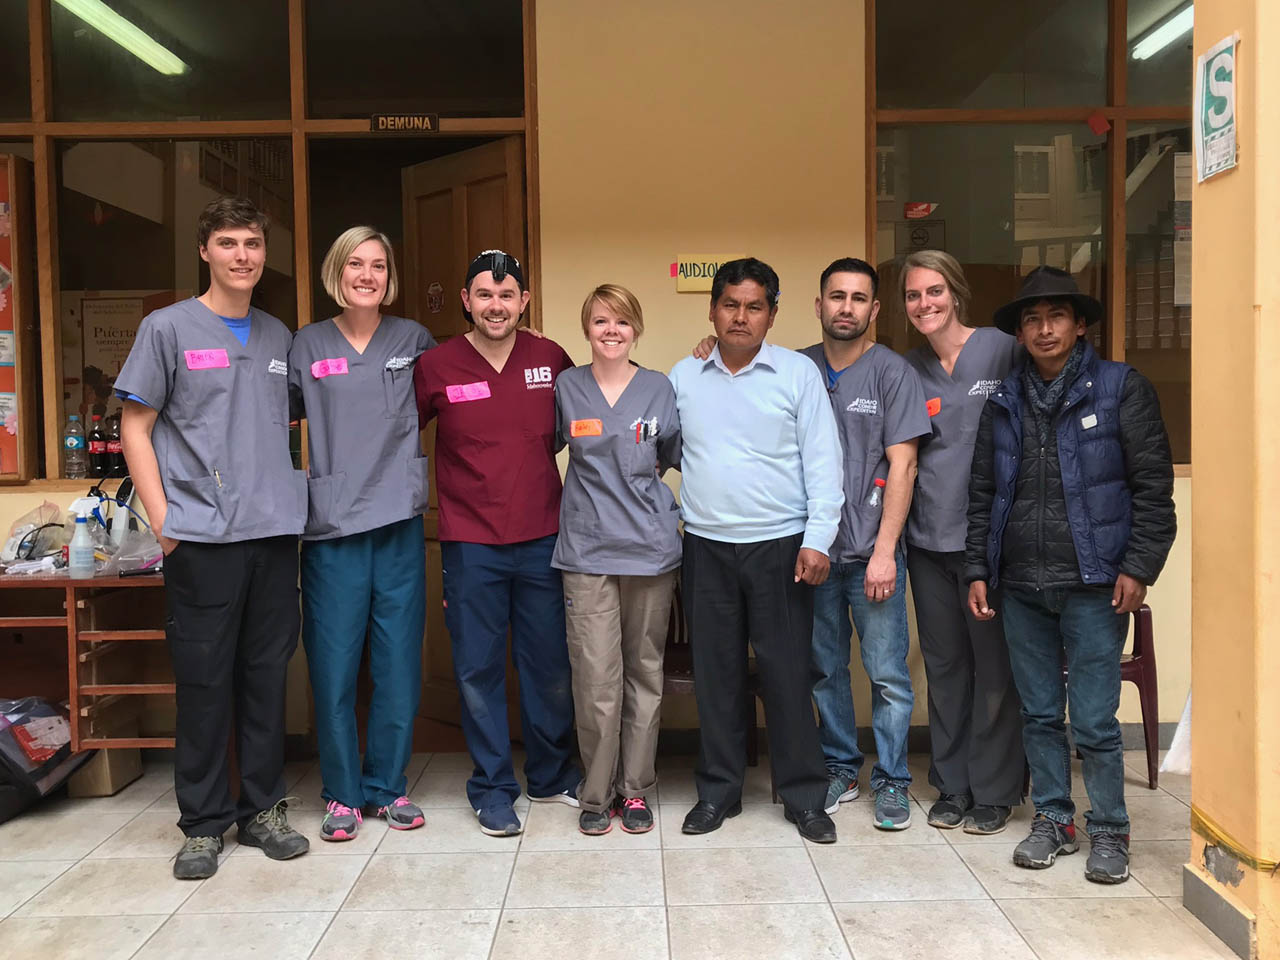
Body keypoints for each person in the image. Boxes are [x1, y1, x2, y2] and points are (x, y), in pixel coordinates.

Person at [117, 196, 309, 879]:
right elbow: (135, 428)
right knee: (203, 684)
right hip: (199, 538)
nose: (242, 255)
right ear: (206, 251)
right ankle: (202, 824)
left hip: (271, 532)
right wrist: (164, 521)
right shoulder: (166, 329)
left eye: (253, 244)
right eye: (228, 243)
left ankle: (262, 811)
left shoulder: (280, 337)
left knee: (264, 679)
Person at [965, 266, 1176, 884]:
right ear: (1021, 332)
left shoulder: (1120, 388)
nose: (1044, 328)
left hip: (1095, 585)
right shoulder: (1003, 399)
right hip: (1023, 584)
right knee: (1038, 714)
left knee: (1093, 721)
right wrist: (980, 567)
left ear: (1079, 324)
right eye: (1032, 319)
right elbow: (982, 494)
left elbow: (1152, 490)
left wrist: (1139, 566)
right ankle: (1054, 820)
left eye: (1056, 316)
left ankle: (1109, 831)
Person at [670, 257, 844, 844]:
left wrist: (818, 539)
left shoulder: (797, 375)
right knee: (715, 677)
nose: (740, 317)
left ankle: (804, 798)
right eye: (729, 305)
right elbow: (659, 454)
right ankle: (718, 793)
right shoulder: (683, 377)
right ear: (712, 309)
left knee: (788, 676)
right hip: (708, 548)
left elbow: (825, 462)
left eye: (754, 306)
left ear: (772, 313)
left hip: (782, 548)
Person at [413, 249, 580, 837]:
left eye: (507, 296)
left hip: (543, 537)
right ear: (466, 301)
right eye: (484, 295)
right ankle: (490, 786)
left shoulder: (551, 358)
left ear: (524, 302)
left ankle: (552, 773)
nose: (496, 305)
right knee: (477, 668)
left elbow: (594, 408)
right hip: (470, 543)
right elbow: (398, 438)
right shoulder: (436, 365)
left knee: (547, 664)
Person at [288, 226, 436, 842]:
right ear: (336, 271)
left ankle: (387, 787)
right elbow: (265, 418)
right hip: (332, 527)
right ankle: (343, 793)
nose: (367, 275)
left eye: (378, 265)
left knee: (399, 662)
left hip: (398, 522)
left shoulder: (415, 341)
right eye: (356, 264)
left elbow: (468, 384)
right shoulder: (305, 345)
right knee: (334, 665)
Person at [797, 258, 930, 831]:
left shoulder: (892, 373)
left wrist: (884, 552)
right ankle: (839, 767)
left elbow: (905, 465)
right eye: (836, 296)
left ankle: (894, 781)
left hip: (872, 554)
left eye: (858, 298)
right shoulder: (794, 369)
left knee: (886, 675)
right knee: (825, 670)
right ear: (819, 304)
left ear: (875, 310)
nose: (845, 307)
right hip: (816, 555)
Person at [899, 250, 1025, 835]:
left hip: (993, 543)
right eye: (913, 295)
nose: (924, 304)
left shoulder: (1003, 348)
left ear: (956, 291)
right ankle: (952, 784)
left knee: (993, 667)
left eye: (934, 291)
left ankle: (996, 789)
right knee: (945, 666)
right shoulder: (908, 370)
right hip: (928, 539)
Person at [552, 284, 681, 836]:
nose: (612, 331)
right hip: (586, 551)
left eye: (623, 322)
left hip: (650, 551)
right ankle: (595, 792)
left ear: (636, 329)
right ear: (587, 328)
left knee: (644, 673)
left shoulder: (659, 388)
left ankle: (635, 790)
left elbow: (671, 456)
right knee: (596, 678)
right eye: (601, 321)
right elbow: (539, 447)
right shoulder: (566, 387)